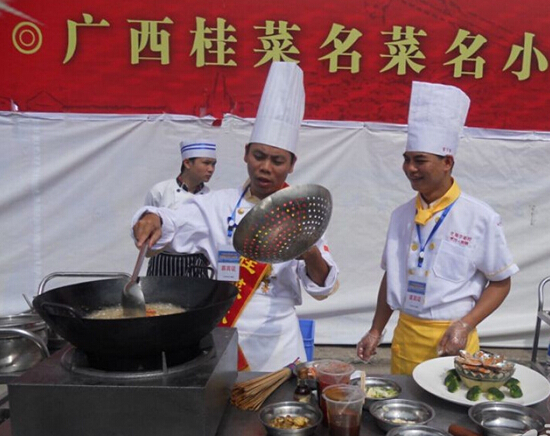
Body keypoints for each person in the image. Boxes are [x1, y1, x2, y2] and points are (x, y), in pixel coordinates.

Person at [132, 62, 339, 372]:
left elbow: (322, 286)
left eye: (277, 160)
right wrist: (153, 218)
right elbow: (174, 220)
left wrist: (309, 252)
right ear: (246, 154)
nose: (265, 167)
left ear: (291, 164)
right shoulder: (218, 204)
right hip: (226, 335)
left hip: (279, 342)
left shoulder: (302, 212)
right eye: (259, 156)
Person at [356, 81, 519, 375]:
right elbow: (391, 276)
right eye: (407, 160)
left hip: (454, 341)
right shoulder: (401, 216)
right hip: (407, 339)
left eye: (420, 160)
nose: (410, 168)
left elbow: (500, 283)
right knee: (406, 401)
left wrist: (465, 325)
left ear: (447, 162)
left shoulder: (479, 217)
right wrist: (376, 330)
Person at [143, 139, 217, 277]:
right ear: (187, 163)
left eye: (213, 164)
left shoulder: (212, 197)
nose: (211, 169)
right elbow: (147, 230)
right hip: (161, 264)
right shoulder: (160, 191)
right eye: (206, 163)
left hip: (196, 266)